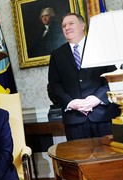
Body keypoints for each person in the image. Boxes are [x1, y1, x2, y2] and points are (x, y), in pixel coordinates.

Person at [48, 13, 119, 141]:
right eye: (64, 25)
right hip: (74, 120)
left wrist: (97, 98)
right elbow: (55, 85)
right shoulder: (57, 55)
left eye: (71, 23)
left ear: (82, 26)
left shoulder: (101, 47)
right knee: (80, 159)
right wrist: (71, 102)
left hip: (103, 115)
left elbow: (113, 77)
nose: (67, 27)